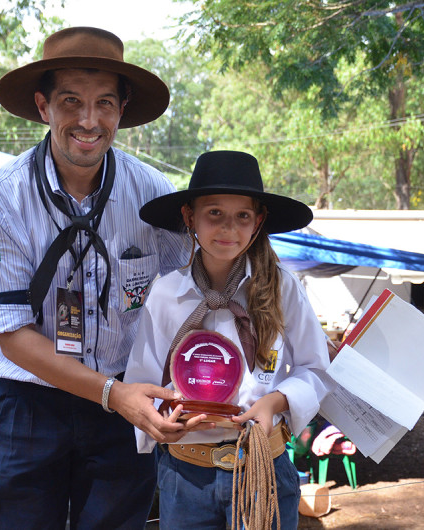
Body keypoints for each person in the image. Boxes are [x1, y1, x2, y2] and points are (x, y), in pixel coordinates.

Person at [0, 26, 201, 529]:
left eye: (104, 103)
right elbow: (10, 335)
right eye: (71, 101)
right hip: (26, 407)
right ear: (42, 106)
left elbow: (191, 297)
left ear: (121, 110)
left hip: (125, 407)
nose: (88, 120)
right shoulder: (0, 199)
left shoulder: (152, 195)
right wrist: (112, 394)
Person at [124, 150, 332, 529]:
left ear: (258, 222)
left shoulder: (281, 288)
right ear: (190, 217)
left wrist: (274, 401)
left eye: (242, 216)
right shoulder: (167, 294)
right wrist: (160, 420)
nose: (228, 229)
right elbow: (142, 382)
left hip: (261, 471)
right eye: (214, 213)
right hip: (186, 478)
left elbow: (317, 370)